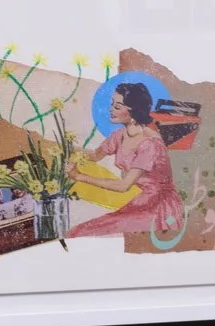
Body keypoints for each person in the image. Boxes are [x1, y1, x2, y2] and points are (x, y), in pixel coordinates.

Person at [71, 80, 185, 239]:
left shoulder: (150, 144)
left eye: (117, 107)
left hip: (161, 208)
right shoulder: (119, 135)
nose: (111, 109)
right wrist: (67, 146)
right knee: (81, 230)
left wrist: (79, 176)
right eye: (112, 104)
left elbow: (124, 186)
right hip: (143, 200)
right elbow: (95, 156)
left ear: (134, 113)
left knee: (89, 232)